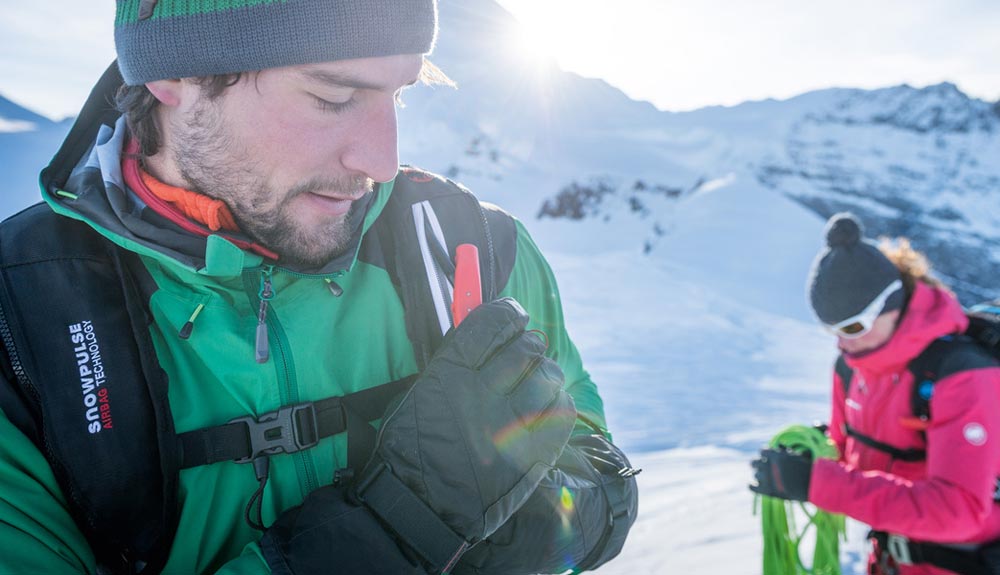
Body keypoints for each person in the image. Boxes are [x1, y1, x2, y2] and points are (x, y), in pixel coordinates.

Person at [0, 1, 638, 574]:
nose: (381, 161)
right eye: (333, 97)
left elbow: (602, 484)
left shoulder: (464, 245)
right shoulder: (19, 321)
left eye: (399, 95)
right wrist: (407, 519)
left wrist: (510, 525)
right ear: (172, 75)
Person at [750, 212, 1000, 574]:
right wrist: (808, 459)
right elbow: (851, 458)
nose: (842, 342)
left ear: (892, 305)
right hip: (889, 559)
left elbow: (957, 511)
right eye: (831, 329)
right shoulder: (852, 366)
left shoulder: (961, 375)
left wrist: (817, 483)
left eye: (853, 326)